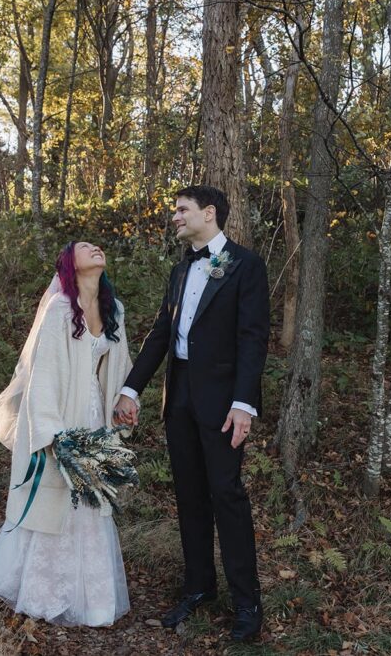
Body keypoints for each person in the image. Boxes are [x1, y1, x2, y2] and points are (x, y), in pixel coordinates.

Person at [113, 185, 270, 642]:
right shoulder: (180, 270)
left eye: (182, 211)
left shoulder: (246, 265)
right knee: (189, 498)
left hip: (223, 407)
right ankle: (200, 587)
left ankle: (247, 603)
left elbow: (253, 339)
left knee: (227, 496)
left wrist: (244, 404)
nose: (175, 217)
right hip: (178, 402)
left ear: (209, 213)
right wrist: (131, 389)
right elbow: (161, 335)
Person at [0, 241, 134, 627]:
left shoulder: (115, 309)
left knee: (91, 501)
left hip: (95, 414)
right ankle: (46, 594)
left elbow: (120, 365)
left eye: (98, 246)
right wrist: (53, 433)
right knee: (57, 497)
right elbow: (42, 376)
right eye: (85, 247)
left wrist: (123, 405)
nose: (96, 248)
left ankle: (94, 601)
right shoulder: (60, 307)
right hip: (61, 415)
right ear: (69, 264)